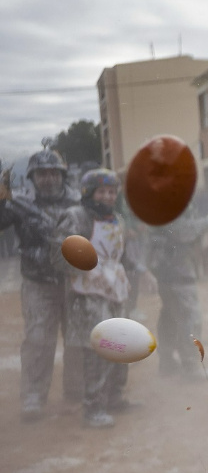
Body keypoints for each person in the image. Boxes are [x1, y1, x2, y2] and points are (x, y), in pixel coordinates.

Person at [0, 141, 83, 421]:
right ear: (33, 177)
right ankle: (33, 397)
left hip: (74, 284)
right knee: (38, 340)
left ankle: (76, 391)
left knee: (77, 339)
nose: (48, 178)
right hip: (37, 283)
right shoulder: (19, 203)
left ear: (62, 175)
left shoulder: (79, 202)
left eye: (53, 172)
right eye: (41, 173)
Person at [53, 169, 139, 428]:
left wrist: (139, 272)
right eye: (101, 191)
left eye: (112, 192)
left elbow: (121, 254)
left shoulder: (117, 219)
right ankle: (93, 407)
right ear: (89, 193)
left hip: (115, 290)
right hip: (87, 293)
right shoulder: (75, 217)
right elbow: (58, 255)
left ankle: (114, 397)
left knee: (122, 343)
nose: (107, 196)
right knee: (100, 348)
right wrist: (81, 264)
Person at [147, 209, 208, 380]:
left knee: (170, 315)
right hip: (175, 268)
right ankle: (190, 367)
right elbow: (182, 231)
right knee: (189, 316)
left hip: (166, 267)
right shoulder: (171, 201)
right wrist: (207, 222)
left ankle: (167, 362)